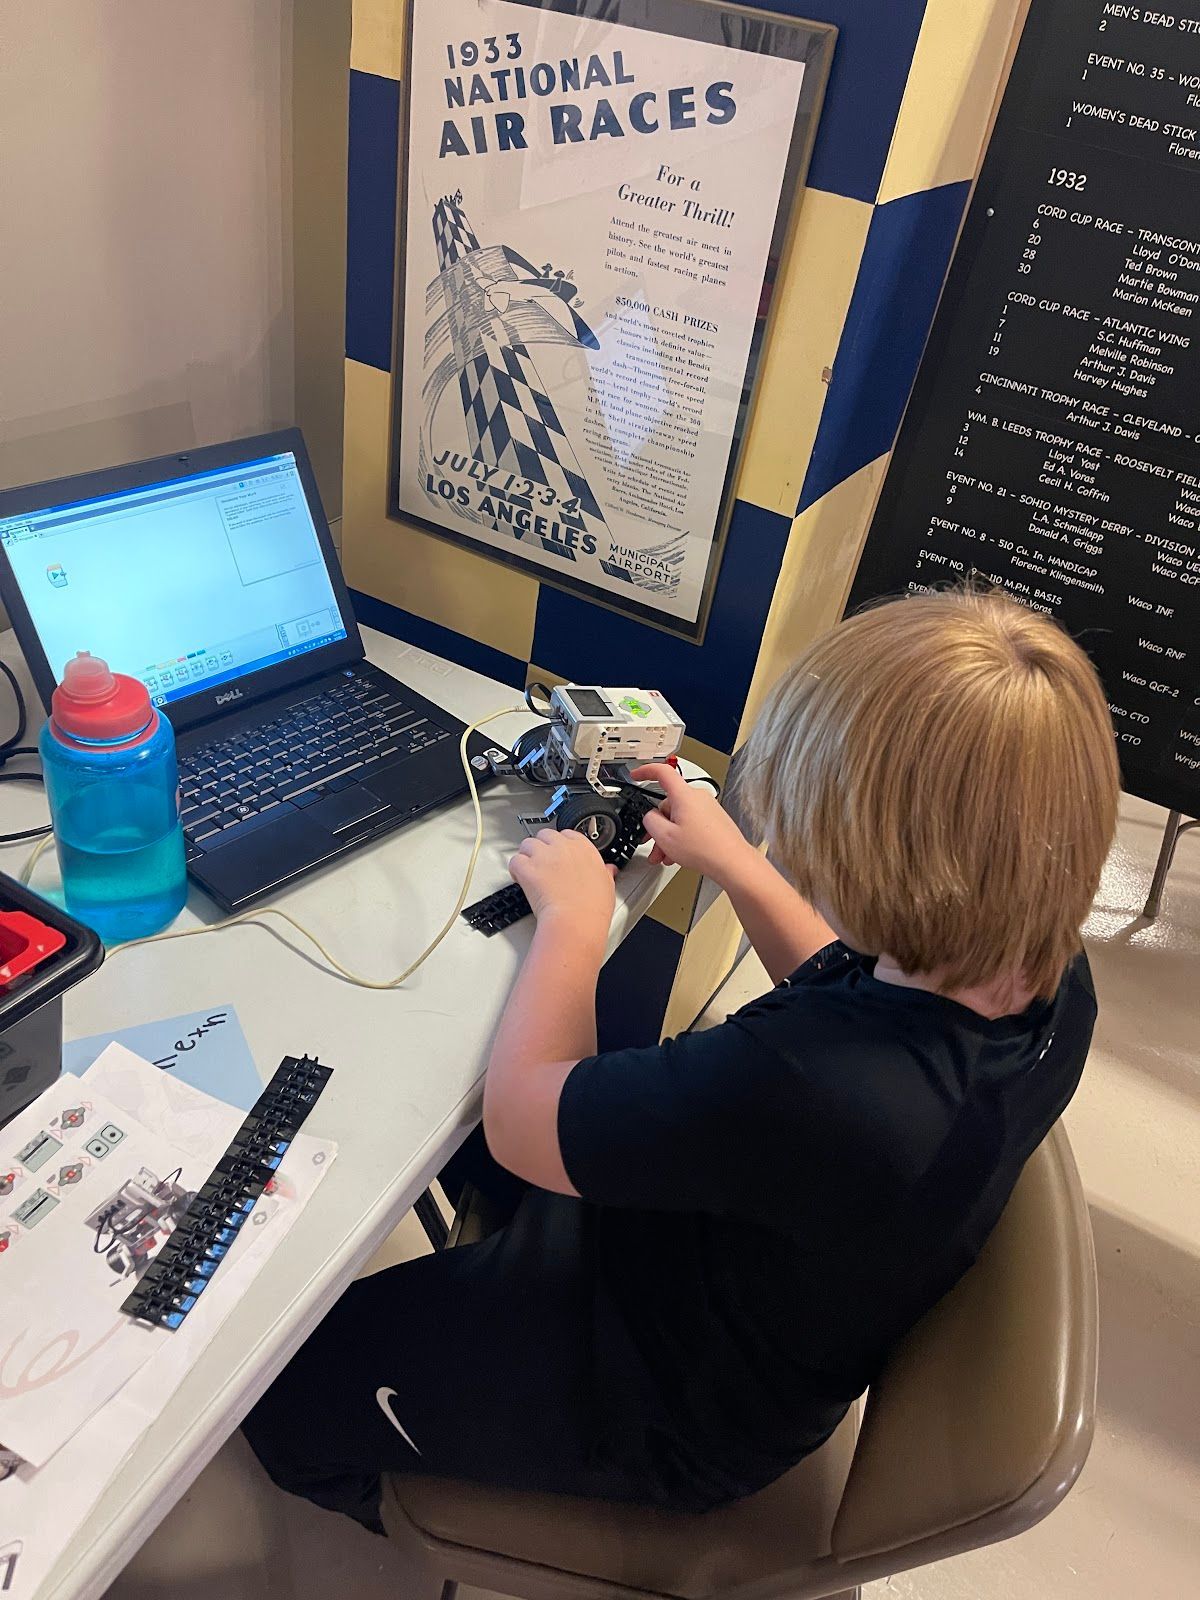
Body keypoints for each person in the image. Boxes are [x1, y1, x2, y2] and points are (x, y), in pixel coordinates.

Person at [243, 588, 1120, 1530]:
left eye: (807, 840)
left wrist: (576, 926)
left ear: (879, 867)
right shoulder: (1043, 976)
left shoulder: (817, 1085)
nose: (797, 856)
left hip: (662, 1397)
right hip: (742, 1286)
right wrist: (737, 862)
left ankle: (442, 1517)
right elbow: (848, 976)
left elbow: (526, 1126)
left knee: (280, 1394)